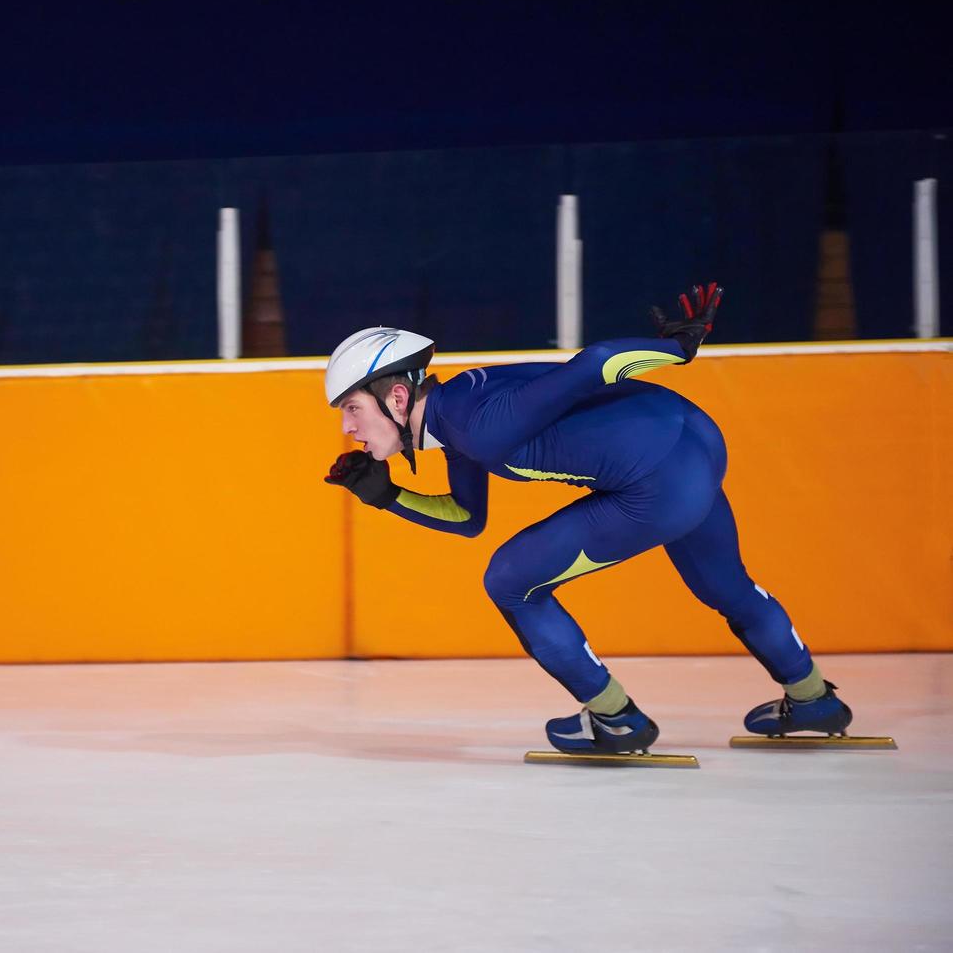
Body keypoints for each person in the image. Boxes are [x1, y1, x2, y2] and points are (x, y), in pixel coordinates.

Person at [322, 286, 853, 754]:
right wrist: (389, 495)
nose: (349, 428)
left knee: (509, 581)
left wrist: (676, 350)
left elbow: (594, 362)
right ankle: (813, 701)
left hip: (659, 481)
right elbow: (467, 517)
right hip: (694, 445)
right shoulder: (458, 413)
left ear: (395, 396)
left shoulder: (477, 427)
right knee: (727, 586)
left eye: (352, 409)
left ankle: (615, 720)